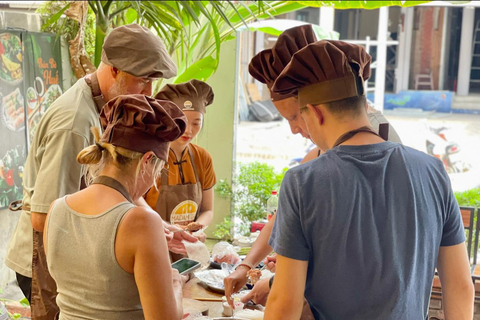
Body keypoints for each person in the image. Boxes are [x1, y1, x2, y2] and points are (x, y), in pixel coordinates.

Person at [263, 40, 474, 319]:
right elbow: (460, 287)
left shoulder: (302, 182)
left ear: (315, 112)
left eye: (300, 116)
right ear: (361, 103)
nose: (298, 130)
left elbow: (284, 303)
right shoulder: (433, 171)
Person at [5, 23, 195, 320]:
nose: (148, 93)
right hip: (46, 260)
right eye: (143, 81)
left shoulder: (109, 106)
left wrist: (153, 228)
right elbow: (44, 216)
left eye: (153, 83)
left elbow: (119, 178)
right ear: (115, 70)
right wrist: (132, 235)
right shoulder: (74, 124)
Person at [224, 24, 402, 310]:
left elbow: (357, 250)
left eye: (296, 116)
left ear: (316, 106)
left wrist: (276, 282)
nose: (295, 129)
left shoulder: (377, 147)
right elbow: (284, 215)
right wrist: (247, 265)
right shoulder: (317, 158)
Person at [44, 94, 187, 320]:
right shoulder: (141, 222)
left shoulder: (57, 209)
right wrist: (175, 283)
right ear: (147, 161)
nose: (154, 182)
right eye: (158, 172)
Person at [145, 80, 216, 245]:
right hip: (153, 241)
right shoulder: (150, 156)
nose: (188, 130)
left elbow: (208, 210)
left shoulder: (202, 157)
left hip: (188, 245)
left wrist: (199, 227)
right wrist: (168, 229)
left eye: (196, 123)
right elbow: (135, 204)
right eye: (181, 121)